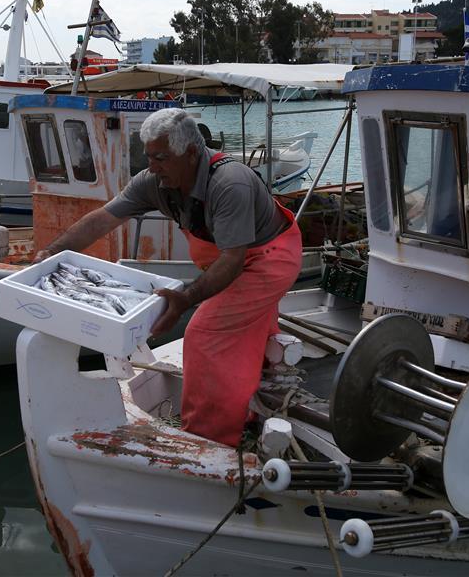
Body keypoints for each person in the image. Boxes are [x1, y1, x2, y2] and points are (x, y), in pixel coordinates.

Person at [33, 108, 302, 447]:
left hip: (268, 260)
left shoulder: (230, 182)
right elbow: (103, 219)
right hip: (226, 261)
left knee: (205, 332)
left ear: (191, 153)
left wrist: (186, 298)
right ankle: (246, 409)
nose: (153, 166)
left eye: (161, 158)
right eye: (148, 157)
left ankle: (210, 437)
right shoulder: (154, 181)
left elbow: (233, 262)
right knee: (244, 332)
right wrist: (52, 251)